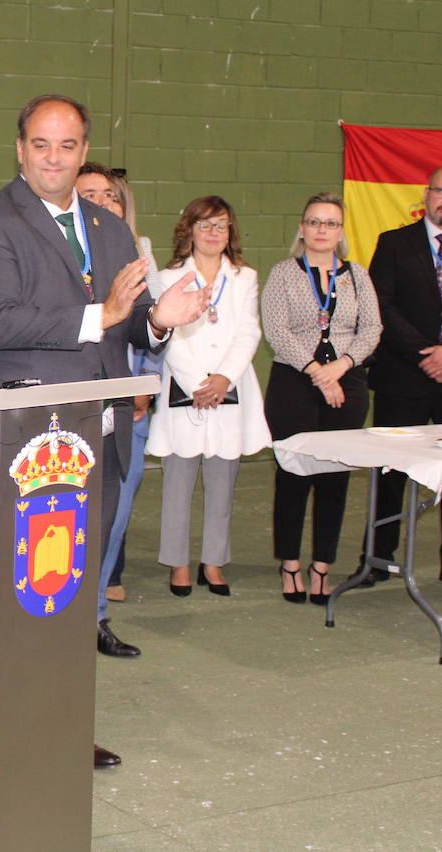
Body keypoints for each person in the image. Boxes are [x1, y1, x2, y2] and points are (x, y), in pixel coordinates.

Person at [0, 94, 208, 771]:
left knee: (68, 593)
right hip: (20, 441)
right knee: (13, 595)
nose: (54, 158)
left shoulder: (109, 227)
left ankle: (60, 727)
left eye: (67, 146)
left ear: (84, 151)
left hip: (97, 435)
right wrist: (104, 314)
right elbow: (0, 321)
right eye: (41, 144)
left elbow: (132, 319)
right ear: (20, 149)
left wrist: (160, 319)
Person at [146, 196, 272, 597]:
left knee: (222, 483)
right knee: (178, 483)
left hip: (228, 389)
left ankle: (214, 562)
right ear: (189, 230)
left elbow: (249, 331)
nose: (214, 233)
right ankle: (178, 564)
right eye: (205, 225)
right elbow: (169, 334)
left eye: (221, 225)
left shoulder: (245, 277)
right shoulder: (168, 277)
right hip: (185, 388)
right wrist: (197, 383)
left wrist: (223, 379)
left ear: (230, 232)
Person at [262, 193, 381, 603]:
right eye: (314, 222)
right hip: (294, 383)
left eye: (330, 223)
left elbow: (372, 329)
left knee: (334, 478)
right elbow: (276, 329)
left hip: (347, 382)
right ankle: (290, 564)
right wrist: (317, 371)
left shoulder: (357, 275)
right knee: (293, 475)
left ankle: (321, 566)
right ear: (302, 228)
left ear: (340, 232)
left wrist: (340, 366)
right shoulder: (283, 273)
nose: (321, 230)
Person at [356, 166, 442, 586]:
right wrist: (426, 354)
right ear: (426, 195)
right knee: (391, 474)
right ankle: (378, 560)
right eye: (440, 191)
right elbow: (381, 306)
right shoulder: (394, 243)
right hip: (402, 378)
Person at [75, 163, 163, 607]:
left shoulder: (134, 253)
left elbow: (146, 322)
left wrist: (143, 382)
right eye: (89, 195)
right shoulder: (63, 254)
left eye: (109, 195)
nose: (102, 203)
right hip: (70, 407)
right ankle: (70, 620)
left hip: (126, 404)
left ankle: (97, 614)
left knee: (112, 515)